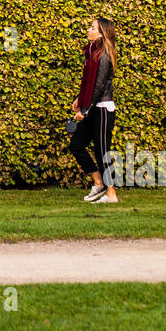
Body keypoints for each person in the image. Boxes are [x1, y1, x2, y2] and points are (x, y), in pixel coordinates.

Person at [67, 16, 119, 203]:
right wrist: (80, 99)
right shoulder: (93, 52)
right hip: (92, 106)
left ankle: (111, 193)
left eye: (92, 27)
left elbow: (98, 86)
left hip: (102, 109)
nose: (88, 30)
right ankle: (98, 183)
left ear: (102, 33)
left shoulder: (104, 54)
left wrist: (85, 109)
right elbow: (89, 82)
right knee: (77, 145)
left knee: (102, 151)